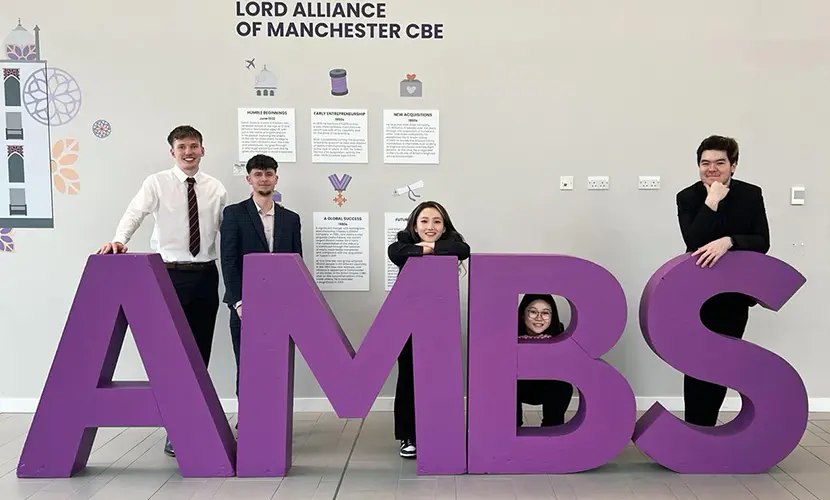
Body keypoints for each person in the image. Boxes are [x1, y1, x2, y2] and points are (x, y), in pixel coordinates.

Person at [96, 125, 228, 456]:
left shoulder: (216, 188)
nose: (188, 152)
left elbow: (227, 231)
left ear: (203, 150)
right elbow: (135, 213)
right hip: (169, 274)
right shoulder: (157, 183)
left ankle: (195, 421)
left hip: (206, 276)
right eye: (182, 146)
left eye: (194, 146)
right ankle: (175, 427)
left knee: (200, 352)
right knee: (173, 353)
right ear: (172, 152)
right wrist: (119, 240)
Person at [675, 134, 770, 427]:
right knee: (696, 363)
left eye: (719, 162)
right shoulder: (688, 197)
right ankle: (695, 427)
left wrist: (729, 240)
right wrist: (712, 200)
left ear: (734, 166)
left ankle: (709, 427)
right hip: (698, 294)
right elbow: (693, 240)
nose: (711, 169)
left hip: (734, 295)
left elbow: (762, 241)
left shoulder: (750, 194)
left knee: (722, 363)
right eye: (705, 163)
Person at [387, 201, 470, 459]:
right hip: (407, 321)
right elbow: (396, 252)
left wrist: (426, 248)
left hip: (438, 323)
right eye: (424, 221)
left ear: (444, 227)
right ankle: (408, 435)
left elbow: (463, 249)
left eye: (437, 221)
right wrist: (423, 249)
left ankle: (438, 429)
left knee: (439, 376)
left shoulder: (451, 245)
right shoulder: (402, 243)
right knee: (408, 376)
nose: (430, 226)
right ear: (414, 225)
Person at [219, 154, 302, 404]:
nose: (263, 179)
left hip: (279, 305)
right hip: (245, 306)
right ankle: (247, 418)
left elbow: (296, 264)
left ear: (276, 178)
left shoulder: (291, 219)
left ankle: (275, 421)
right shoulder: (234, 214)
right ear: (249, 179)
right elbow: (229, 261)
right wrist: (238, 302)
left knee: (276, 365)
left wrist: (294, 302)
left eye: (268, 174)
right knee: (246, 364)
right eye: (258, 174)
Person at [516, 294, 574, 427]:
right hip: (518, 386)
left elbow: (564, 368)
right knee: (506, 385)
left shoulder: (559, 331)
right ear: (523, 314)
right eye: (533, 312)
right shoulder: (511, 332)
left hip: (546, 386)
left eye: (545, 313)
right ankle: (513, 430)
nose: (539, 318)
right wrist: (525, 344)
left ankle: (551, 431)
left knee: (563, 387)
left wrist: (548, 347)